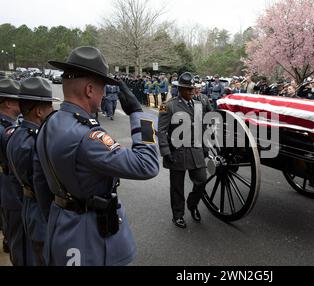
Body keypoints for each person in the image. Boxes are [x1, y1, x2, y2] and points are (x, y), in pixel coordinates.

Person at [33, 46, 160, 266]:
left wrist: (59, 214)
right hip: (88, 240)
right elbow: (147, 165)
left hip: (61, 227)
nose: (104, 95)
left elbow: (40, 181)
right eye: (102, 89)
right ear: (90, 90)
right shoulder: (88, 136)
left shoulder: (50, 122)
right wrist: (140, 116)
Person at [6, 78, 59, 266]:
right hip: (40, 213)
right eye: (49, 108)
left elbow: (14, 180)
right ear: (38, 111)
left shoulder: (15, 134)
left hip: (27, 208)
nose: (52, 112)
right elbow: (43, 185)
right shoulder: (34, 142)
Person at [158, 72, 209, 229]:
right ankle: (178, 215)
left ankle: (192, 204)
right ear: (179, 89)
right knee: (177, 187)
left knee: (202, 180)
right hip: (177, 152)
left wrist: (205, 147)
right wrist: (166, 152)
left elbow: (203, 127)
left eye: (192, 89)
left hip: (195, 150)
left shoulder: (198, 104)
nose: (190, 92)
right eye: (187, 89)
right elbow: (161, 130)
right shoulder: (167, 106)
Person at [0, 79, 21, 264]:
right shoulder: (7, 130)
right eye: (17, 99)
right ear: (7, 103)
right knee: (18, 238)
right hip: (10, 187)